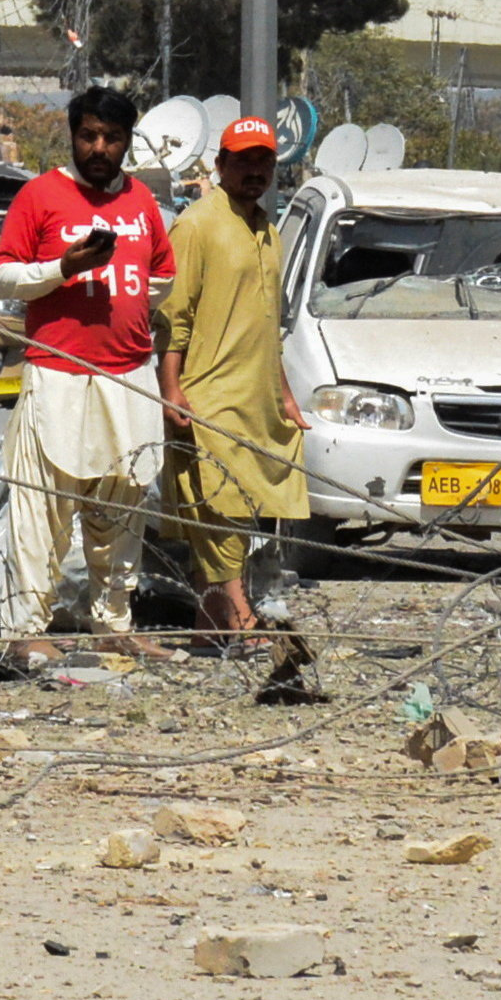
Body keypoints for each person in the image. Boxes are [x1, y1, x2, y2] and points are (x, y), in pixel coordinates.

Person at [0, 84, 176, 667]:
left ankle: (113, 624)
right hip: (58, 375)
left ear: (126, 142)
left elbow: (162, 276)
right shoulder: (40, 195)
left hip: (129, 377)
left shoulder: (142, 201)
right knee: (42, 508)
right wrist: (62, 269)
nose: (99, 147)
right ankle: (25, 629)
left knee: (124, 505)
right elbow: (3, 277)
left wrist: (127, 307)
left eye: (111, 137)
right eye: (89, 135)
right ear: (72, 136)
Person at [157, 114, 307, 648]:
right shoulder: (196, 226)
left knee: (238, 508)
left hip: (256, 396)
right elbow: (172, 317)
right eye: (243, 161)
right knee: (219, 506)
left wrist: (284, 395)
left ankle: (209, 627)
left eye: (263, 161)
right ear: (220, 165)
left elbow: (267, 323)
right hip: (209, 391)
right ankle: (240, 617)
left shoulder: (268, 230)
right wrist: (171, 389)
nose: (254, 171)